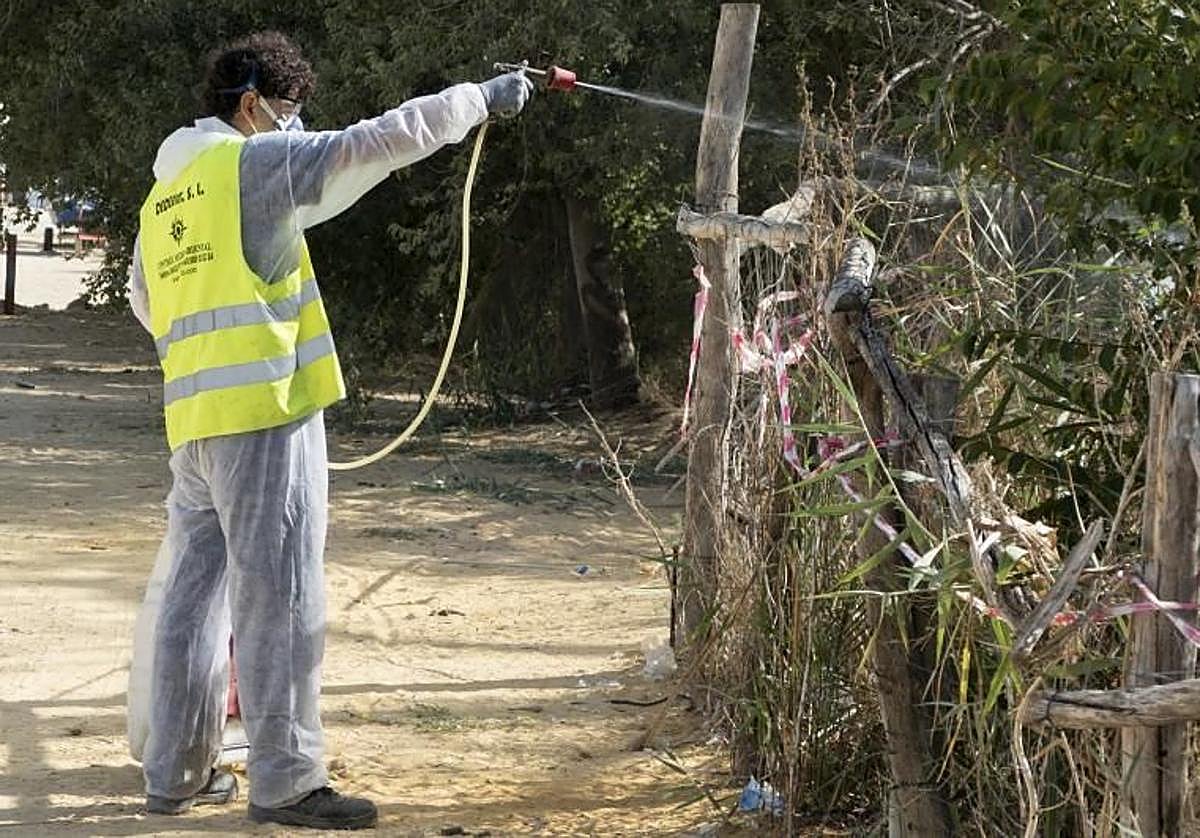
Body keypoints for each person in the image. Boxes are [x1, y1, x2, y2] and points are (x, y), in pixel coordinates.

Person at [127, 31, 532, 830]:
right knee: (279, 600)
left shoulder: (165, 193)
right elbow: (374, 143)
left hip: (196, 424)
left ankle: (173, 774)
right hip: (267, 418)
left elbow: (147, 304)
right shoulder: (254, 164)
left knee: (192, 601)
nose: (296, 128)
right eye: (288, 112)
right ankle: (285, 781)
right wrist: (479, 99)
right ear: (249, 106)